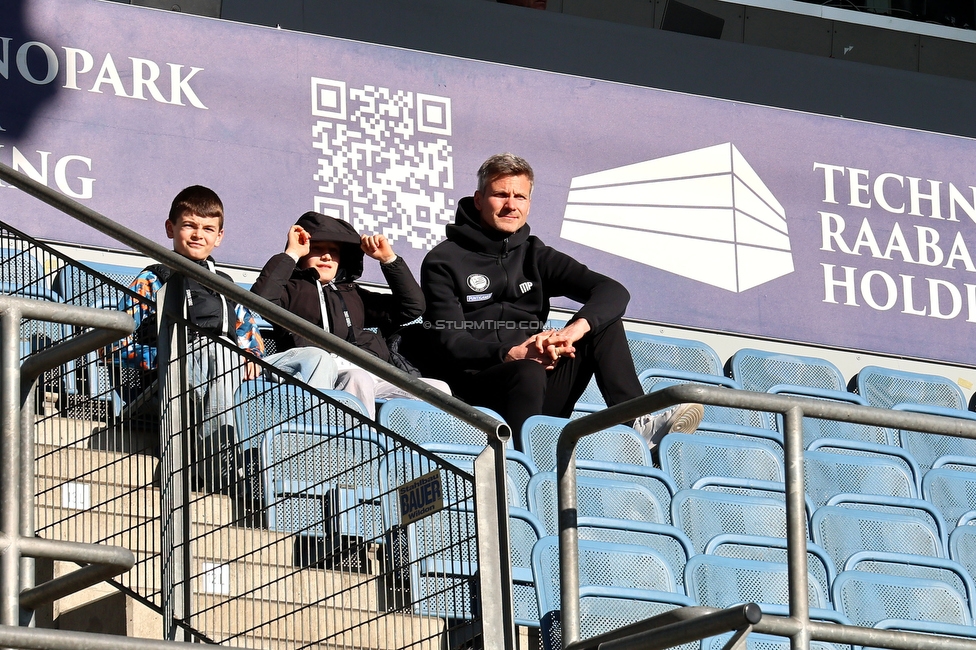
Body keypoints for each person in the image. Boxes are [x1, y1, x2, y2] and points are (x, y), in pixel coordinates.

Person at [420, 153, 703, 449]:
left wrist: (571, 332)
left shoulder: (535, 254)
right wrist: (511, 353)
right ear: (478, 199)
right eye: (501, 194)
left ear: (529, 203)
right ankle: (521, 458)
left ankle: (636, 422)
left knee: (600, 323)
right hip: (477, 390)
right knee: (527, 369)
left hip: (538, 385)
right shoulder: (444, 260)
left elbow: (612, 290)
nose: (511, 205)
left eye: (520, 197)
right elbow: (447, 339)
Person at [119, 185, 337, 491]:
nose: (198, 235)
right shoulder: (154, 277)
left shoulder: (226, 284)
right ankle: (220, 463)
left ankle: (305, 457)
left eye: (208, 228)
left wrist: (253, 356)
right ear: (170, 228)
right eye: (189, 226)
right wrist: (167, 355)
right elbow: (117, 346)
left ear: (219, 237)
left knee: (316, 358)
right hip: (176, 371)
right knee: (221, 353)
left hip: (229, 365)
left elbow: (250, 335)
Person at [251, 211, 451, 419]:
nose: (326, 256)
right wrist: (292, 253)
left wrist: (388, 260)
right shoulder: (290, 290)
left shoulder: (353, 293)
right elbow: (261, 300)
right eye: (317, 249)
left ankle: (414, 451)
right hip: (321, 373)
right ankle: (358, 449)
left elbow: (412, 307)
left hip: (372, 372)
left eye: (334, 251)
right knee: (358, 377)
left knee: (437, 389)